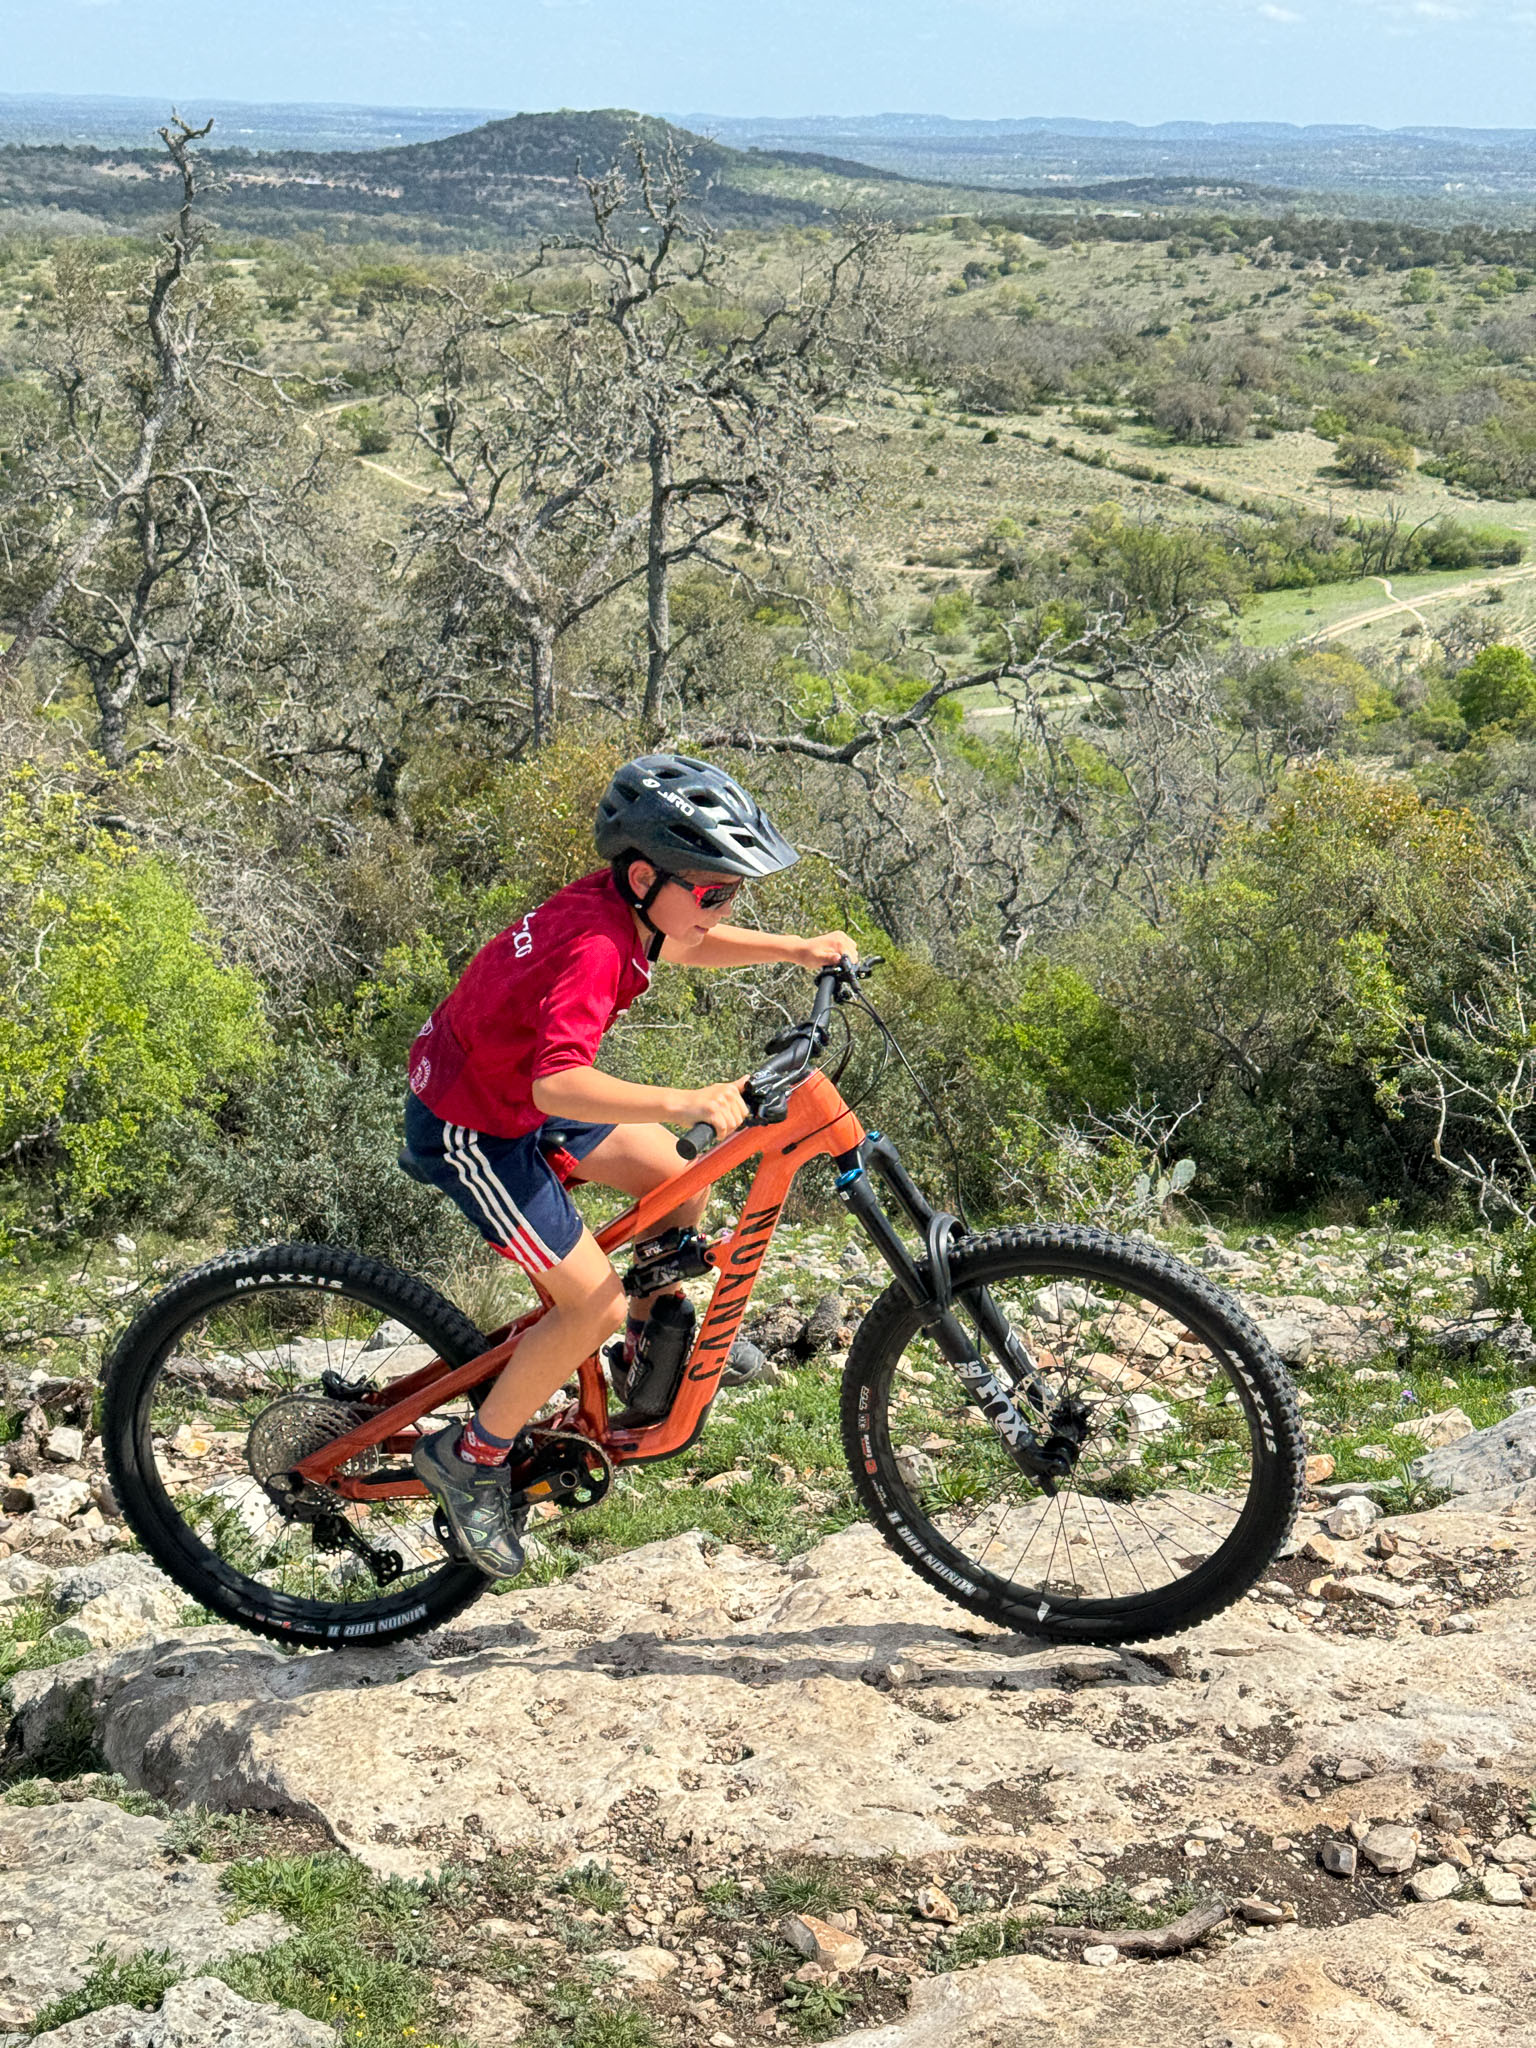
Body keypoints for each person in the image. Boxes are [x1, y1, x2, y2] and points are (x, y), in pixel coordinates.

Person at [399, 753, 857, 1576]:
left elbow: (685, 944)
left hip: (519, 1093)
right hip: (475, 1124)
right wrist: (684, 1099)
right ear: (646, 876)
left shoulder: (629, 908)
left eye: (733, 892)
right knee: (594, 1304)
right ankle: (471, 1457)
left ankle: (649, 1352)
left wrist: (796, 949)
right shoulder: (595, 946)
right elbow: (557, 1080)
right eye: (713, 893)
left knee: (680, 1182)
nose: (723, 908)